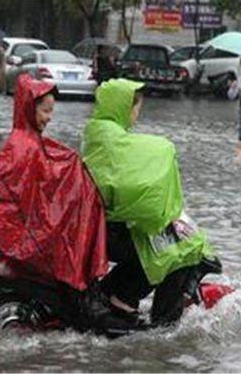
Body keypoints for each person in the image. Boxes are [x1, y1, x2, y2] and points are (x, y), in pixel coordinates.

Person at [82, 78, 219, 326]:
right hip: (110, 229)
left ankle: (120, 294)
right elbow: (119, 177)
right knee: (176, 248)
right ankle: (138, 306)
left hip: (106, 224)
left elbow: (120, 177)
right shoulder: (108, 137)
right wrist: (164, 150)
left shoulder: (101, 132)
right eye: (136, 108)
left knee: (168, 241)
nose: (137, 114)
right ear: (123, 107)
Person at [0, 73, 108, 296]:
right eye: (45, 111)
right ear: (29, 108)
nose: (49, 118)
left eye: (51, 112)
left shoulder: (25, 140)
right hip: (25, 235)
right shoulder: (24, 146)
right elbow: (28, 197)